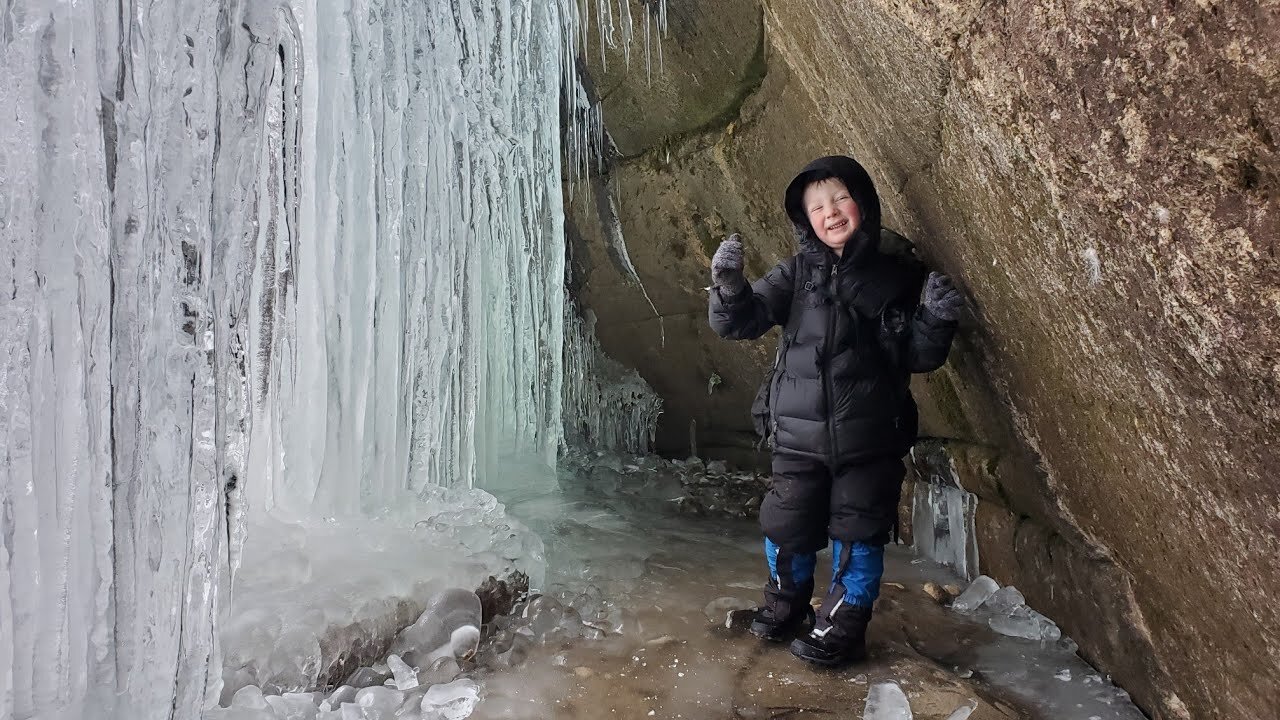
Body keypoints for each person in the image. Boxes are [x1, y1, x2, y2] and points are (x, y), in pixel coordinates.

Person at [707, 155, 962, 666]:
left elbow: (917, 355)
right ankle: (786, 605)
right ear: (804, 219)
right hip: (797, 438)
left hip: (870, 440)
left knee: (859, 533)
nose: (831, 212)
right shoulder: (795, 274)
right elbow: (740, 323)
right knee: (786, 524)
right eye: (817, 206)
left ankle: (842, 625)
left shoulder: (895, 278)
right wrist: (729, 286)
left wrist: (934, 318)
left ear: (863, 204)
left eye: (840, 198)